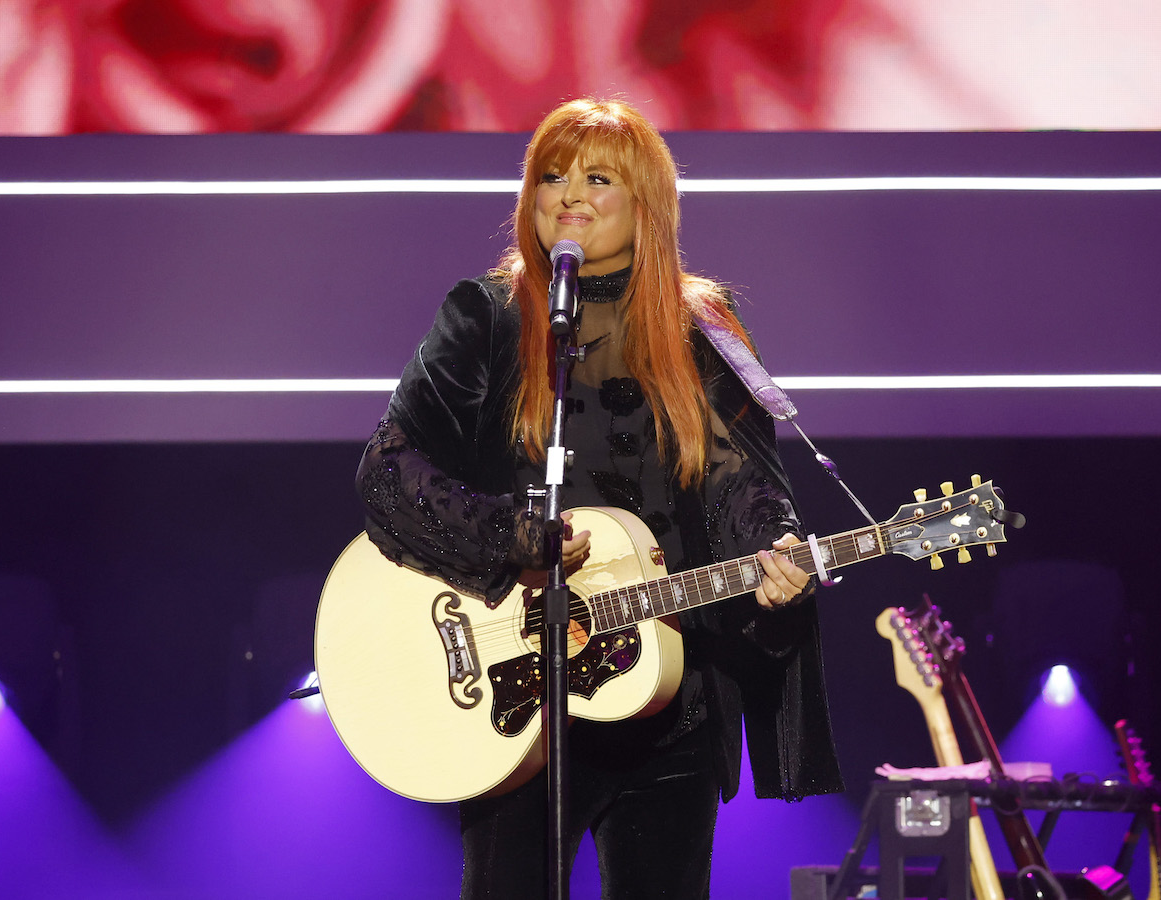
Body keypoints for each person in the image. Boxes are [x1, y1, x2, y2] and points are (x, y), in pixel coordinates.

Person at [356, 97, 843, 899]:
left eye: (597, 177)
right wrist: (511, 537)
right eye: (551, 175)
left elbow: (746, 483)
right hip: (520, 707)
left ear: (646, 201)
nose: (569, 194)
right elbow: (388, 470)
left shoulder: (704, 329)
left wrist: (780, 551)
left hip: (670, 700)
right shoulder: (487, 318)